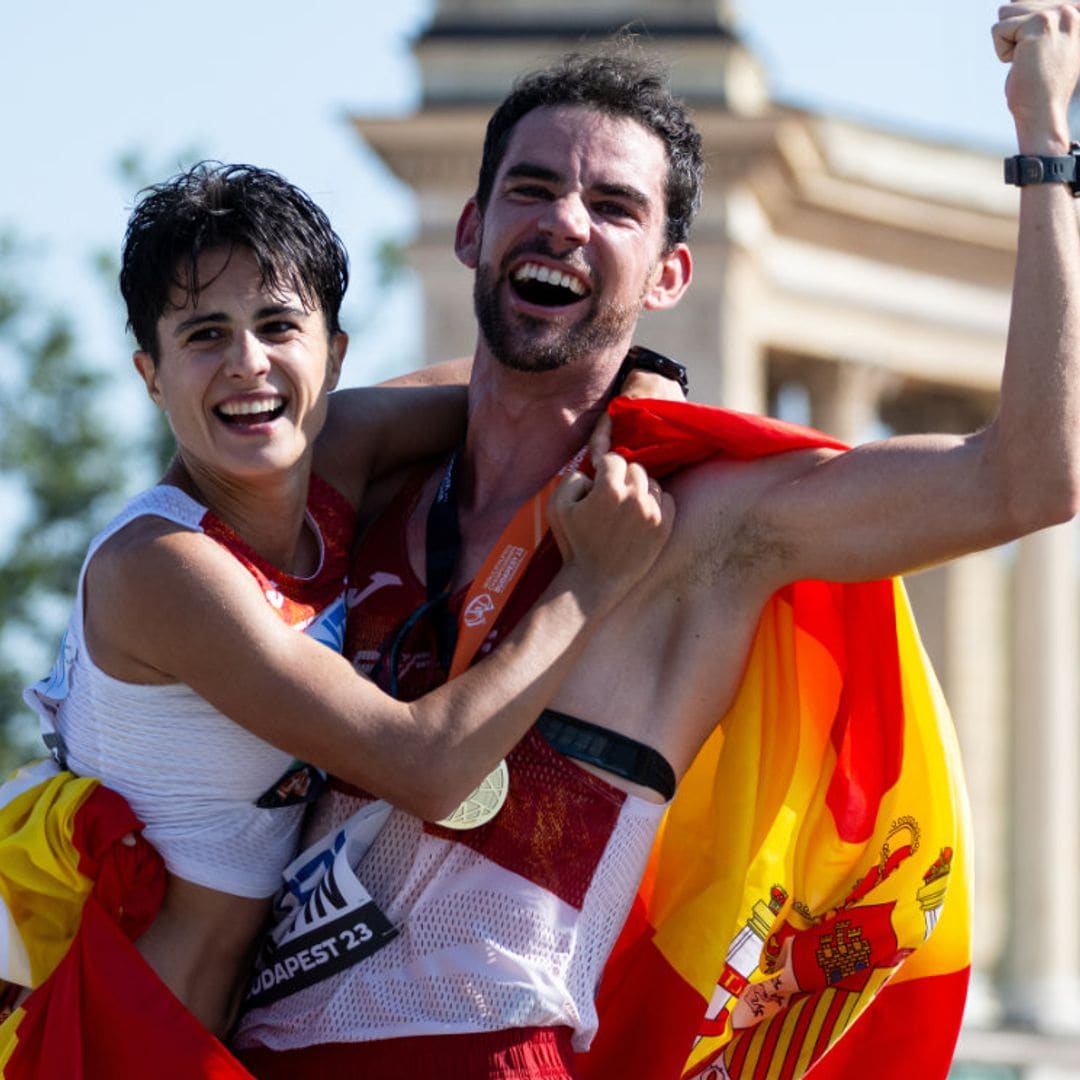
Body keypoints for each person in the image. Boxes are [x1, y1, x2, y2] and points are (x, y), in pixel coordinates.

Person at [234, 5, 1080, 1079]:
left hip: (485, 1050)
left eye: (614, 207)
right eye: (532, 190)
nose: (565, 223)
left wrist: (1045, 143)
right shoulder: (372, 480)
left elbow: (1027, 479)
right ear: (470, 230)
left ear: (671, 276)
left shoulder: (709, 524)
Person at [0, 163, 676, 1073]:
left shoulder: (341, 453)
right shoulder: (162, 569)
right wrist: (592, 583)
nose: (248, 363)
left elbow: (511, 402)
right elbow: (427, 766)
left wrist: (645, 384)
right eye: (205, 335)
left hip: (246, 1034)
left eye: (279, 326)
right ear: (151, 376)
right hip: (123, 1047)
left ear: (337, 352)